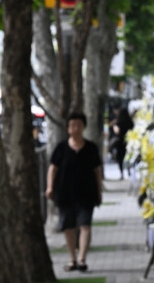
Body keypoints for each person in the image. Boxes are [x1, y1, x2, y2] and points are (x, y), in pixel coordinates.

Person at [45, 112, 103, 272]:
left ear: (84, 127)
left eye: (78, 125)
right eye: (72, 126)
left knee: (85, 225)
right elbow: (52, 169)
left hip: (87, 193)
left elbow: (97, 171)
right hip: (65, 193)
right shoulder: (61, 148)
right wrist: (50, 187)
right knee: (68, 226)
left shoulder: (91, 148)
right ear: (68, 128)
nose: (75, 129)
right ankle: (72, 259)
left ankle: (82, 258)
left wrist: (99, 190)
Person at [110, 107, 133, 179]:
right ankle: (129, 171)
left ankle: (122, 173)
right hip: (129, 142)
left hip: (120, 142)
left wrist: (114, 127)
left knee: (120, 158)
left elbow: (117, 132)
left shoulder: (118, 123)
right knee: (128, 157)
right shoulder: (130, 122)